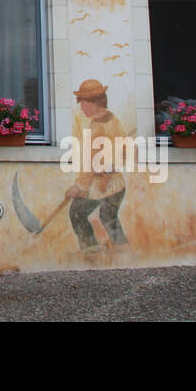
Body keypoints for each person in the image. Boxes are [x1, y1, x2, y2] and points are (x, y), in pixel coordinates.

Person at [64, 79, 129, 257]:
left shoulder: (99, 126)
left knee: (83, 214)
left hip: (108, 184)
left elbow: (93, 162)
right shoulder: (110, 120)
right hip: (106, 183)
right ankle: (104, 252)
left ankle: (93, 253)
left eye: (84, 104)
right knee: (104, 216)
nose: (82, 108)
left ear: (95, 102)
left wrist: (79, 187)